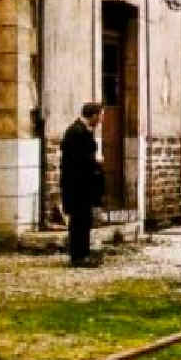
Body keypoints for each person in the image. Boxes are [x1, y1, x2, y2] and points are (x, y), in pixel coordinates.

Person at [60, 103, 105, 267]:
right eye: (100, 116)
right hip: (77, 185)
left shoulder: (83, 130)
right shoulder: (76, 132)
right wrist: (96, 162)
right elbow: (77, 160)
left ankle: (83, 254)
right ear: (93, 115)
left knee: (84, 220)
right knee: (79, 221)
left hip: (82, 185)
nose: (101, 120)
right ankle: (78, 256)